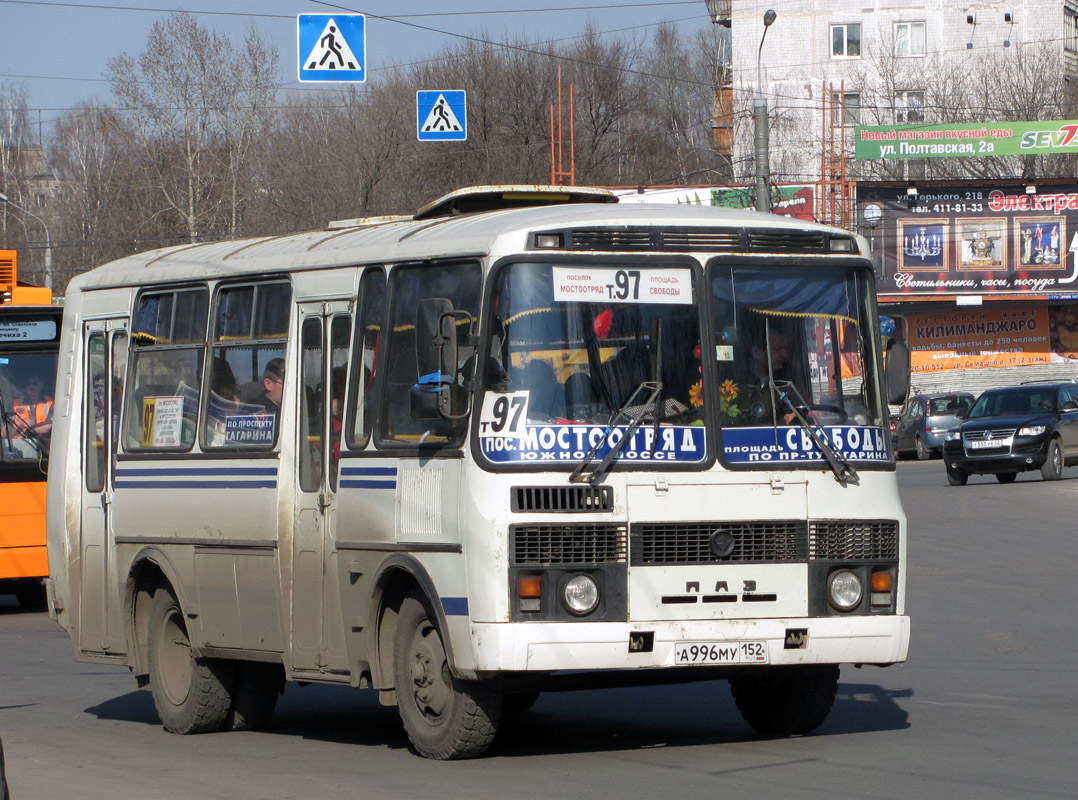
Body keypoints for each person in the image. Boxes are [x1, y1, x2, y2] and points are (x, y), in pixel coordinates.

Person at [11, 371, 54, 437]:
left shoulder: (50, 402)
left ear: (42, 384)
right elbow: (4, 433)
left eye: (35, 383)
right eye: (28, 384)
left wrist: (29, 431)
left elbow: (51, 425)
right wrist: (20, 423)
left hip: (44, 445)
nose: (31, 386)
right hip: (17, 445)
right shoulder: (15, 404)